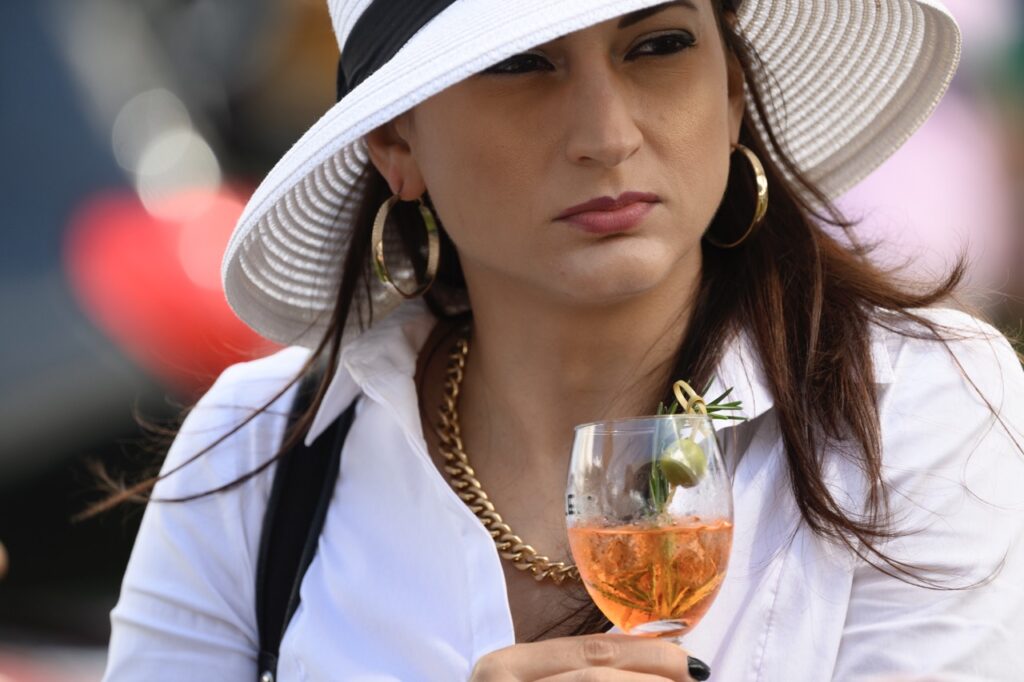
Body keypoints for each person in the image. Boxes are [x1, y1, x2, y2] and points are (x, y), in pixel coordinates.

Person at [98, 0, 1024, 680]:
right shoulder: (265, 448)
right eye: (521, 65)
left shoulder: (914, 402)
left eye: (658, 46)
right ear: (396, 145)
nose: (607, 134)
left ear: (734, 92)